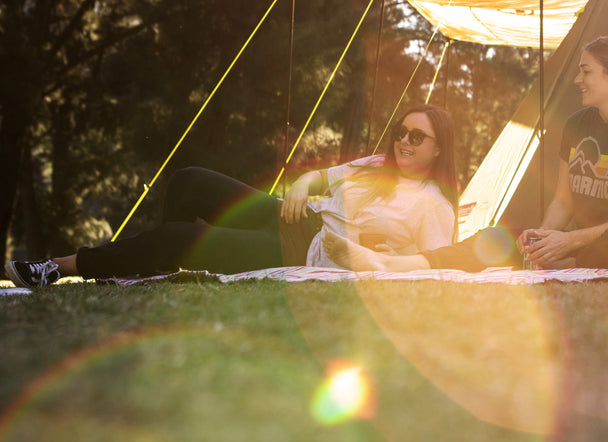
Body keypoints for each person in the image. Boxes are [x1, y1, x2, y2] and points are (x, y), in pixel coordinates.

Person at [324, 34, 608, 274]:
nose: (578, 80)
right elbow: (563, 202)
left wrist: (568, 241)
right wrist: (542, 238)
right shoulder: (576, 124)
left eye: (586, 71)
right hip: (578, 241)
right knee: (496, 237)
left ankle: (564, 265)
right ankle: (390, 264)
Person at [5, 104, 459, 288]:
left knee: (181, 236)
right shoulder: (377, 166)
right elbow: (319, 178)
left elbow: (432, 270)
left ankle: (58, 267)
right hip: (289, 215)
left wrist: (375, 255)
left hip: (305, 248)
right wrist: (301, 185)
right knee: (188, 179)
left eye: (417, 138)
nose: (404, 141)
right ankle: (145, 267)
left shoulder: (433, 206)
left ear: (439, 148)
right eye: (401, 131)